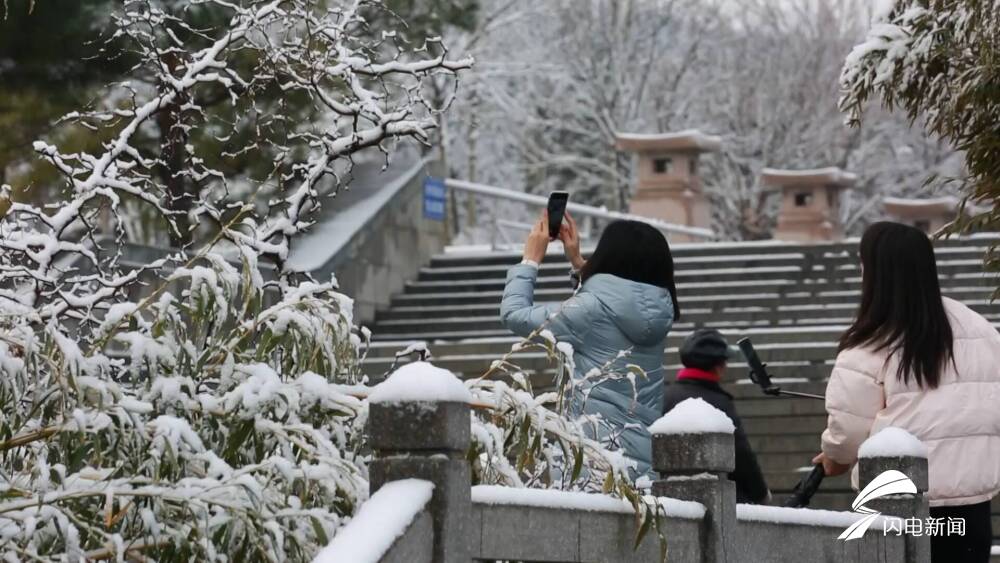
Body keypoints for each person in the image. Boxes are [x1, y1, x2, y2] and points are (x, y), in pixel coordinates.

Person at [813, 222, 1000, 563]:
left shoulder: (871, 341)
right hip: (971, 510)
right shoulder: (980, 329)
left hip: (897, 506)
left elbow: (849, 431)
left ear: (875, 272)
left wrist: (834, 457)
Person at [500, 211, 678, 476]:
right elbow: (613, 301)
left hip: (592, 459)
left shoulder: (590, 311)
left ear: (607, 256)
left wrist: (530, 260)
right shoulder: (660, 312)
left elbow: (514, 314)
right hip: (644, 459)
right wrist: (577, 263)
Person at [662, 329, 770, 504]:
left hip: (669, 498)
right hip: (717, 499)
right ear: (718, 367)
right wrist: (760, 493)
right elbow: (740, 454)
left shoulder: (666, 397)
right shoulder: (718, 402)